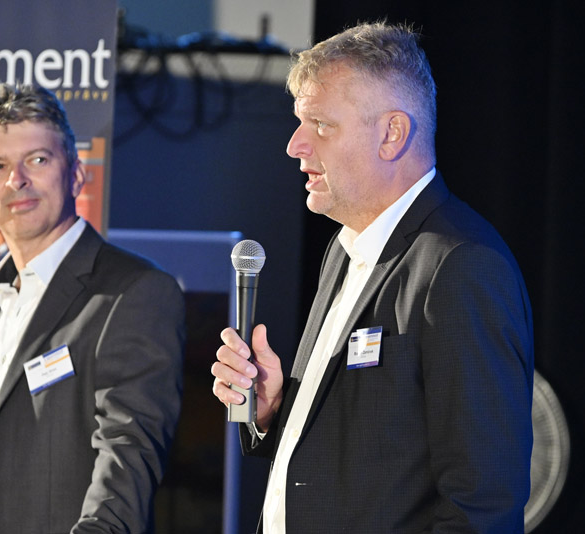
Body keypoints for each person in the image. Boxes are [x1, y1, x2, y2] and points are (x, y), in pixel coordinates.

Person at [211, 21, 533, 534]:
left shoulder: (462, 266)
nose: (295, 145)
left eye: (321, 124)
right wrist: (275, 411)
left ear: (391, 134)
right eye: (299, 122)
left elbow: (483, 502)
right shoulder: (345, 249)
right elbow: (363, 455)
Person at [0, 83, 185, 534]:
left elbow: (127, 460)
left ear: (76, 174)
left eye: (37, 160)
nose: (17, 180)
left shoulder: (135, 292)